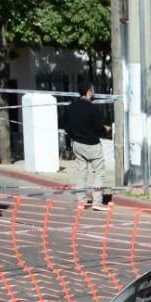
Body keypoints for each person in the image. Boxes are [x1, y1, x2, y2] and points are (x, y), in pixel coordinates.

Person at [65, 80, 112, 210]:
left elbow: (66, 126)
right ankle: (97, 202)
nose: (94, 92)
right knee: (98, 172)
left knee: (81, 172)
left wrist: (74, 136)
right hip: (92, 144)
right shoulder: (93, 108)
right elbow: (97, 128)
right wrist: (105, 129)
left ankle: (82, 201)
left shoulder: (71, 107)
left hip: (77, 144)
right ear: (89, 92)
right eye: (93, 90)